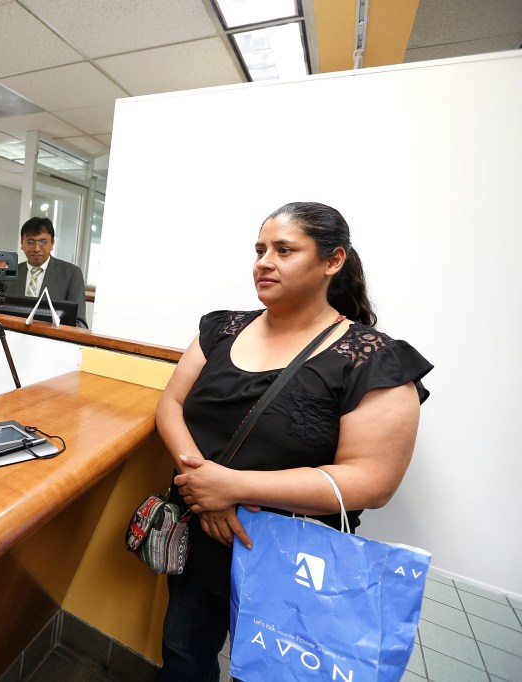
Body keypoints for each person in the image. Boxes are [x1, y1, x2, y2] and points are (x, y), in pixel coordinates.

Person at [154, 202, 432, 681]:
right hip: (201, 531)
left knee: (271, 670)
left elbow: (373, 480)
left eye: (284, 250)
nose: (264, 261)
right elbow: (170, 406)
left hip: (290, 557)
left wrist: (234, 487)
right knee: (184, 655)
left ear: (333, 261)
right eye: (260, 250)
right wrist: (209, 493)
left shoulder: (370, 358)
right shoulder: (221, 328)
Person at [8, 217, 88, 327]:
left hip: (52, 341)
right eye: (30, 242)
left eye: (43, 242)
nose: (36, 248)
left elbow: (79, 324)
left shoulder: (71, 274)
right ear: (22, 243)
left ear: (52, 243)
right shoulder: (9, 273)